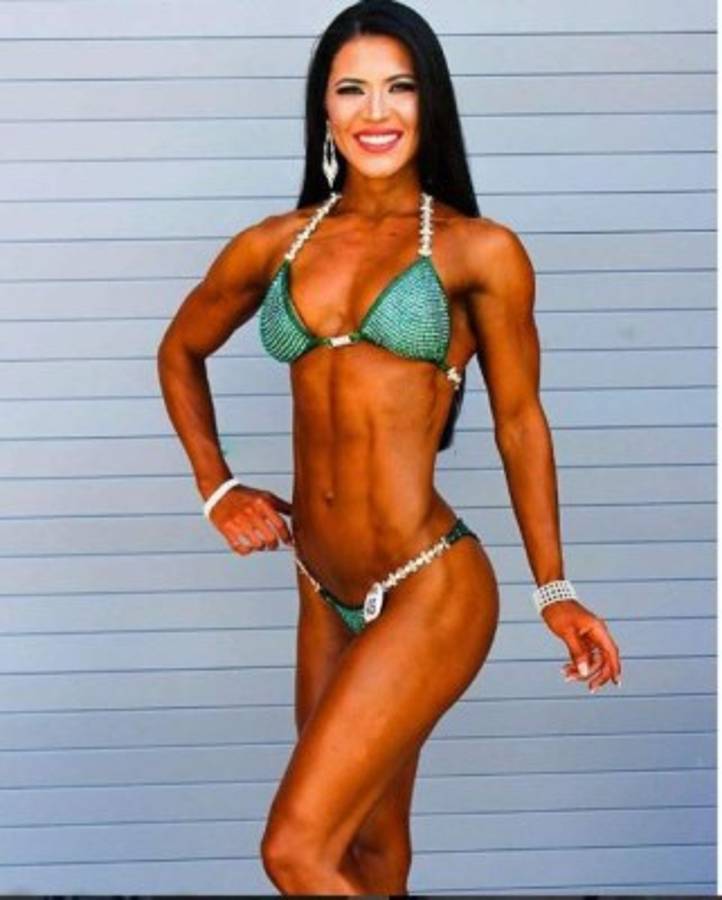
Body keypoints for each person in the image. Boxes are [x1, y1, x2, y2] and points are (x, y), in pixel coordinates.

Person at [156, 0, 622, 893]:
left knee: (294, 851)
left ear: (429, 103)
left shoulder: (479, 252)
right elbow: (179, 350)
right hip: (323, 588)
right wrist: (217, 486)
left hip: (428, 585)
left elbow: (520, 422)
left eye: (399, 88)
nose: (376, 112)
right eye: (352, 90)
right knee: (365, 852)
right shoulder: (275, 244)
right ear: (323, 110)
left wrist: (554, 589)